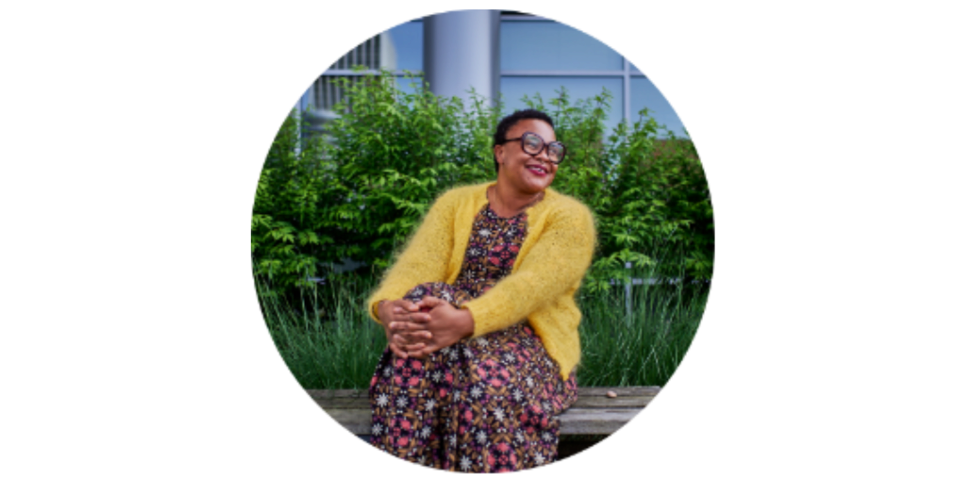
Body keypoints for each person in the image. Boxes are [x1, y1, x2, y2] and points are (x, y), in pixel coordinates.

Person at [365, 109, 596, 472]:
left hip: (527, 342)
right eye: (532, 143)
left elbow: (532, 287)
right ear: (500, 152)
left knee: (478, 385)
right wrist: (389, 309)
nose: (545, 156)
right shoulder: (456, 203)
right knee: (421, 301)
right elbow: (417, 265)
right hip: (443, 334)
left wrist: (467, 321)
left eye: (554, 150)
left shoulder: (569, 217)